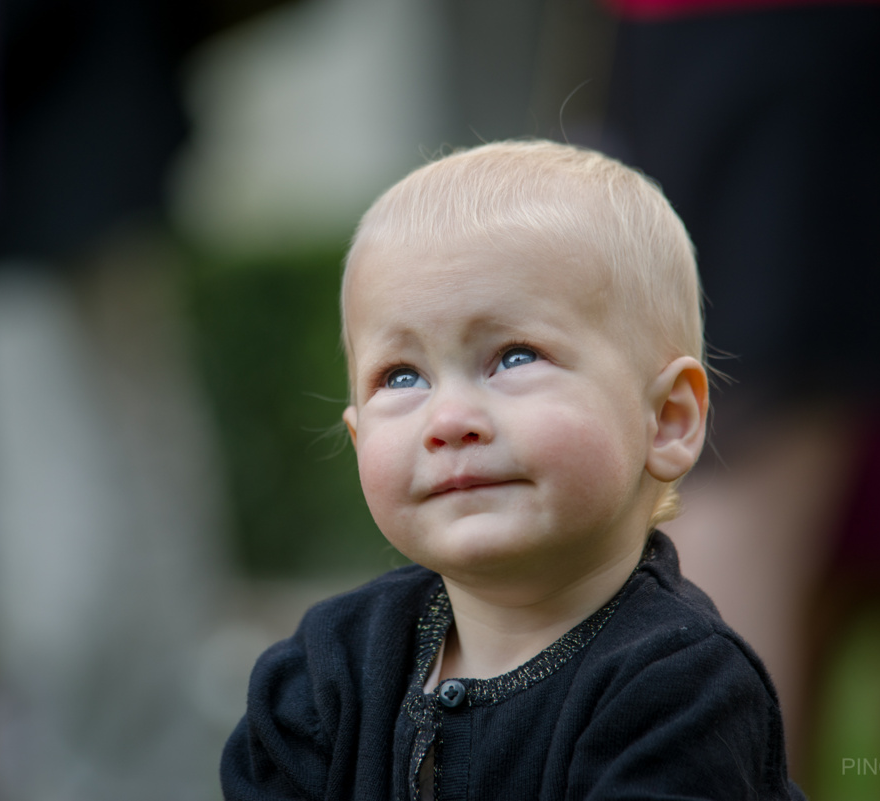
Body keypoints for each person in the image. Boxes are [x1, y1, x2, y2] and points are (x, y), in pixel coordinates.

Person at [220, 140, 804, 800]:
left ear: (667, 419)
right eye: (402, 376)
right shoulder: (324, 674)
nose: (449, 418)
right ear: (357, 437)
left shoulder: (680, 686)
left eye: (515, 357)